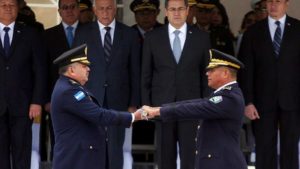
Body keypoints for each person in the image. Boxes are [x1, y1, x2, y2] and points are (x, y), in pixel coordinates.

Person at [143, 49, 247, 169]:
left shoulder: (229, 97)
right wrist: (159, 109)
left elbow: (196, 107)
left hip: (223, 163)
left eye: (211, 70)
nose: (207, 74)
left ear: (225, 73)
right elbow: (197, 103)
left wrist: (158, 111)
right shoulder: (225, 95)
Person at [141, 0, 210, 168]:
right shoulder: (152, 37)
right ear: (165, 12)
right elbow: (146, 75)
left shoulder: (202, 37)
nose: (176, 13)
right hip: (162, 107)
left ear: (187, 11)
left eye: (180, 9)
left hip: (192, 107)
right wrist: (146, 105)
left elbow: (207, 76)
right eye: (172, 9)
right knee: (165, 158)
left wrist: (206, 106)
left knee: (191, 157)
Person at [51, 44, 143, 169]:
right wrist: (132, 117)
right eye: (84, 66)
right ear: (71, 70)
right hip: (77, 159)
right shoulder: (69, 91)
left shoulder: (70, 87)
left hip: (82, 158)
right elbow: (99, 115)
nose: (88, 69)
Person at [73, 0, 141, 169]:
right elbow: (75, 69)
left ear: (115, 9)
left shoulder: (129, 34)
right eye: (101, 9)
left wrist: (133, 103)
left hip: (119, 100)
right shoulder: (83, 33)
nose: (105, 12)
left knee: (115, 147)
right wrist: (78, 98)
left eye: (109, 8)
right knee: (91, 144)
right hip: (91, 98)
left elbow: (135, 71)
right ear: (95, 10)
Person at [238, 0, 300, 169]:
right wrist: (248, 102)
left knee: (291, 148)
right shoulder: (253, 32)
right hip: (262, 102)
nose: (273, 5)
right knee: (264, 149)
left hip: (293, 101)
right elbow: (246, 71)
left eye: (278, 1)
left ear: (287, 3)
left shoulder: (298, 29)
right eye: (270, 1)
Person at [0, 0, 47, 168]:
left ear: (17, 9)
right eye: (3, 4)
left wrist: (36, 101)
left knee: (22, 153)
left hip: (23, 105)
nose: (7, 8)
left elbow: (40, 70)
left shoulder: (30, 34)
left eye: (11, 5)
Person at [43, 0, 81, 160]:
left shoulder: (91, 31)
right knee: (60, 143)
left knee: (84, 141)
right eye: (65, 7)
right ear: (59, 11)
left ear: (79, 10)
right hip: (56, 99)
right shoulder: (47, 35)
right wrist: (46, 100)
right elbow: (43, 71)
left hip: (84, 98)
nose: (69, 11)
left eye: (73, 7)